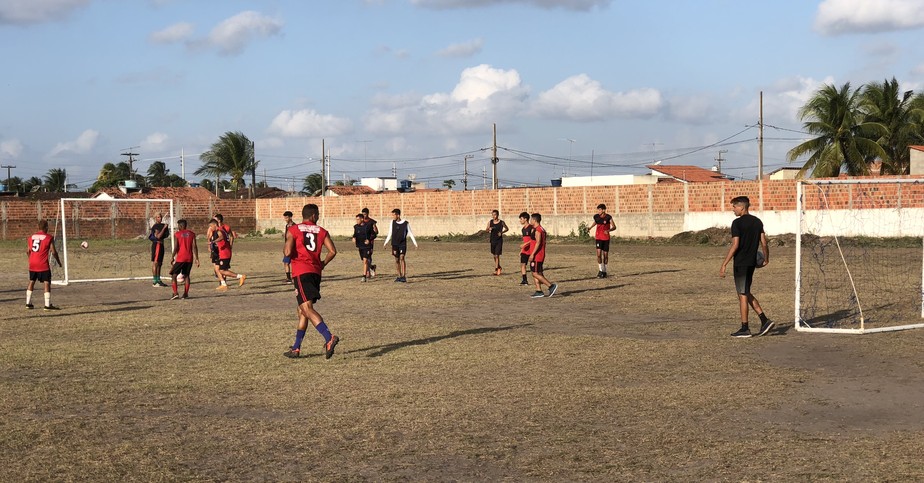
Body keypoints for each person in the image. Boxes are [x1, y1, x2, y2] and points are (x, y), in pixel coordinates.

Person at [283, 203, 340, 359]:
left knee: (307, 309)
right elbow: (333, 251)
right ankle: (296, 348)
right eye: (318, 214)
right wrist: (322, 264)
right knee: (302, 310)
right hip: (315, 272)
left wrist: (288, 245)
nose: (319, 217)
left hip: (301, 272)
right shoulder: (321, 231)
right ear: (313, 215)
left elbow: (288, 252)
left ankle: (329, 338)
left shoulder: (293, 229)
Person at [720, 196, 773, 338]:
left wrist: (724, 263)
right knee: (745, 291)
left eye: (734, 207)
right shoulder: (757, 222)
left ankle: (745, 328)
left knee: (742, 295)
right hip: (751, 263)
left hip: (741, 263)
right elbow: (764, 242)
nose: (733, 210)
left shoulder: (737, 223)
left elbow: (735, 245)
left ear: (742, 207)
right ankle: (764, 320)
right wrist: (766, 259)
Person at [26, 220, 63, 310]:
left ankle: (28, 303)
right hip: (42, 264)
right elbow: (53, 252)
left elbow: (28, 251)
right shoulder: (48, 237)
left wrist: (30, 259)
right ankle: (47, 305)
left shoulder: (31, 237)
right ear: (46, 227)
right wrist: (59, 262)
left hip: (32, 263)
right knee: (47, 282)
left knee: (32, 281)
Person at [382, 208, 418, 283]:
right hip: (394, 244)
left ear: (398, 215)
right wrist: (386, 242)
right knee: (397, 260)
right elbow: (390, 233)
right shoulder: (392, 222)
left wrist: (415, 243)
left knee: (402, 257)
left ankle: (404, 276)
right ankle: (399, 275)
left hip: (402, 244)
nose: (393, 216)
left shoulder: (406, 223)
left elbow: (410, 233)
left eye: (394, 215)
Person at [527, 213, 558, 298]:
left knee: (535, 273)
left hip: (537, 255)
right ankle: (539, 291)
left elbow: (538, 242)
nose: (530, 221)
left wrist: (532, 254)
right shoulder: (539, 229)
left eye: (531, 219)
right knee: (537, 272)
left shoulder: (538, 230)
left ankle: (551, 286)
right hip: (538, 254)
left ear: (534, 220)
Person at [211, 218, 246, 291]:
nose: (211, 228)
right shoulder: (222, 229)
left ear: (215, 225)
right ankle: (223, 284)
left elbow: (221, 237)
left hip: (225, 253)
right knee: (217, 268)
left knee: (222, 270)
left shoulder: (219, 230)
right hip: (222, 252)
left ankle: (240, 276)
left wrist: (214, 241)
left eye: (211, 226)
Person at [169, 219, 199, 300]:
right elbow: (194, 246)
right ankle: (185, 294)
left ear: (181, 226)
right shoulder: (192, 234)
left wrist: (172, 257)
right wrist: (197, 258)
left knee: (174, 275)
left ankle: (175, 293)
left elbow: (176, 247)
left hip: (181, 258)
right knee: (186, 276)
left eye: (178, 226)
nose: (178, 227)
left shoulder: (178, 234)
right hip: (189, 258)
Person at [593, 204, 616, 278]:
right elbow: (596, 222)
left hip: (606, 238)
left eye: (600, 210)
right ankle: (600, 270)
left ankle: (605, 271)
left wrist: (608, 230)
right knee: (599, 255)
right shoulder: (596, 216)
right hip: (598, 238)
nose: (598, 211)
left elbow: (614, 227)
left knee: (605, 256)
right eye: (598, 210)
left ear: (603, 210)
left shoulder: (608, 217)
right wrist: (590, 227)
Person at [149, 213, 170, 287]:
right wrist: (164, 228)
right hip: (157, 245)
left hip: (162, 245)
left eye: (160, 217)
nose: (160, 218)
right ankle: (155, 281)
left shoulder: (163, 225)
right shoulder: (155, 226)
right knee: (156, 262)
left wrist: (165, 228)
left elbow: (166, 235)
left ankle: (158, 279)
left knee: (160, 263)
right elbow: (158, 236)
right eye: (158, 217)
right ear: (155, 218)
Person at [352, 213, 373, 282]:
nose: (357, 221)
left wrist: (369, 240)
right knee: (364, 261)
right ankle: (372, 267)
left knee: (365, 260)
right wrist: (353, 238)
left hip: (367, 246)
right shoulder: (356, 227)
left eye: (358, 219)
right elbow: (355, 234)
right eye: (356, 219)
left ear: (362, 219)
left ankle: (364, 276)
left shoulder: (368, 226)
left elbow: (374, 234)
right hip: (360, 246)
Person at [487, 210, 509, 275]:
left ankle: (496, 269)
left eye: (495, 215)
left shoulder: (501, 222)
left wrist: (501, 232)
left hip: (499, 240)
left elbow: (507, 228)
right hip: (492, 240)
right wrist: (489, 229)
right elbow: (486, 229)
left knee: (497, 255)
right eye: (492, 215)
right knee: (494, 255)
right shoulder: (490, 222)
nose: (494, 216)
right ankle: (499, 267)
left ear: (498, 215)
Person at [517, 212, 534, 285]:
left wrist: (525, 244)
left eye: (521, 219)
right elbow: (525, 240)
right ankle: (524, 280)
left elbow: (533, 240)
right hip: (525, 251)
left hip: (531, 250)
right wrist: (522, 250)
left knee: (533, 267)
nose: (520, 221)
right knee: (523, 264)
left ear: (525, 219)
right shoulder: (523, 229)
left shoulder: (531, 228)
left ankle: (539, 278)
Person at [361, 207, 378, 277]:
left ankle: (367, 272)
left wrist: (374, 229)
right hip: (362, 241)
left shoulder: (371, 222)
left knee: (368, 256)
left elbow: (376, 231)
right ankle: (371, 267)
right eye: (363, 214)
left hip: (370, 241)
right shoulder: (361, 221)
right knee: (363, 258)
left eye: (365, 214)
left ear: (367, 214)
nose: (364, 216)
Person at [282, 211, 295, 283]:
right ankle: (288, 278)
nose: (286, 219)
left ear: (290, 217)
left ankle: (295, 277)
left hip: (293, 248)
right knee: (286, 262)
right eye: (285, 218)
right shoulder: (287, 226)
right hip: (287, 247)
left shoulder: (294, 226)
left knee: (294, 263)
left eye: (287, 218)